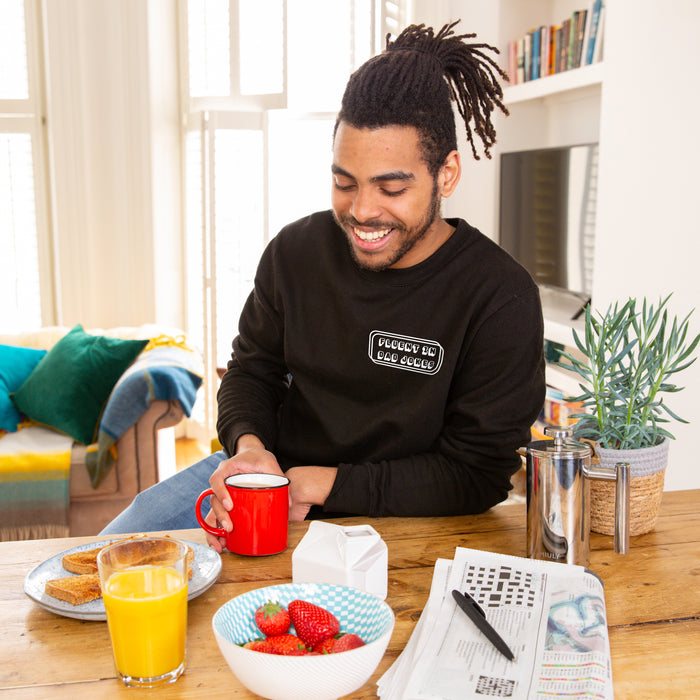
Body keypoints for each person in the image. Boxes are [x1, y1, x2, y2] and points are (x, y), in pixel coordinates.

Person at [101, 21, 545, 551]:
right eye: (344, 182)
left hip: (408, 515)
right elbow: (252, 370)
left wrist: (321, 483)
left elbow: (477, 473)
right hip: (266, 484)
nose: (361, 211)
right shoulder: (295, 253)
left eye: (392, 187)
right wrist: (249, 449)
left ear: (446, 174)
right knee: (110, 558)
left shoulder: (500, 297)